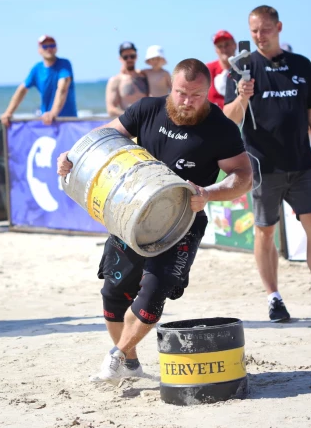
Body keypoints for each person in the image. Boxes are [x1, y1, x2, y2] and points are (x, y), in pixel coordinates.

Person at [57, 59, 252, 385]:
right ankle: (130, 362)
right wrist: (72, 156)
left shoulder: (221, 128)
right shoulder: (147, 109)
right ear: (170, 88)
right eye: (181, 93)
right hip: (130, 215)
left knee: (153, 292)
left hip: (182, 223)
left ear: (208, 93)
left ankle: (116, 356)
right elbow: (106, 135)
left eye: (196, 95)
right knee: (114, 294)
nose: (187, 101)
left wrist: (209, 193)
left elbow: (244, 177)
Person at [223, 5, 311, 324]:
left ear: (279, 27)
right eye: (253, 31)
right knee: (265, 231)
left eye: (265, 29)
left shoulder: (301, 65)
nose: (259, 36)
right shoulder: (240, 69)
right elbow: (229, 120)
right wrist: (242, 97)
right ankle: (274, 298)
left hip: (303, 162)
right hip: (263, 166)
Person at [1, 35, 77, 126]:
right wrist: (8, 113)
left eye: (52, 45)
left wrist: (53, 113)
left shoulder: (64, 64)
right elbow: (22, 90)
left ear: (56, 48)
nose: (49, 49)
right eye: (45, 46)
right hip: (46, 121)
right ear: (39, 50)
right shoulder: (37, 69)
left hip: (67, 122)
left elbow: (62, 88)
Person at [105, 42, 149, 117]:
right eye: (125, 57)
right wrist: (132, 116)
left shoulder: (145, 76)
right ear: (120, 59)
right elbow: (111, 110)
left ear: (137, 56)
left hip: (147, 120)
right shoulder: (116, 80)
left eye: (132, 56)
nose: (129, 59)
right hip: (129, 123)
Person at [206, 30, 237, 108]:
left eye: (227, 45)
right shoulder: (208, 70)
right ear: (216, 50)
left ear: (235, 45)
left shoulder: (245, 68)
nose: (224, 49)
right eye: (220, 46)